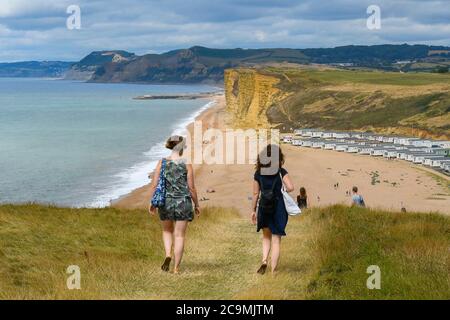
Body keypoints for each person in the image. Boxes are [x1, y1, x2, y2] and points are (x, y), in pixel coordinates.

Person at [149, 135, 200, 274]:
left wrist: (153, 202)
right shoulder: (186, 164)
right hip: (183, 202)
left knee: (167, 231)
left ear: (169, 146)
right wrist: (197, 205)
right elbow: (192, 189)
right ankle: (176, 268)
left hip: (166, 202)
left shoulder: (162, 163)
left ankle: (168, 255)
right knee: (179, 235)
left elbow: (155, 186)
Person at [251, 144, 294, 274]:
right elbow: (291, 187)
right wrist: (282, 189)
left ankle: (264, 261)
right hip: (278, 207)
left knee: (266, 237)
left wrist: (253, 210)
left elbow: (255, 194)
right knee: (276, 240)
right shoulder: (281, 172)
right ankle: (273, 271)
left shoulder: (258, 173)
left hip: (264, 206)